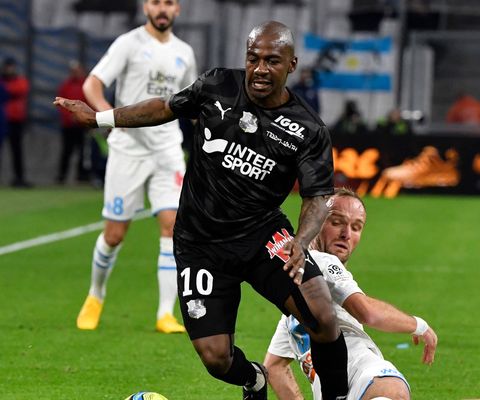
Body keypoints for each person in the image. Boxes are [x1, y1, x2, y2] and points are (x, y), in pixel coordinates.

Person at [55, 20, 351, 400]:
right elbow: (163, 107)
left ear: (291, 65)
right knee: (216, 358)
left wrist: (302, 239)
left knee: (322, 318)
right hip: (200, 243)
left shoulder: (308, 128)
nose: (260, 69)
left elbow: (318, 196)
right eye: (253, 58)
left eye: (272, 61)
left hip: (263, 236)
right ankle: (254, 380)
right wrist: (99, 117)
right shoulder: (217, 86)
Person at [72, 0, 197, 334]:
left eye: (169, 3)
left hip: (167, 150)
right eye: (156, 2)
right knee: (114, 235)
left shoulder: (185, 52)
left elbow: (190, 102)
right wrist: (108, 118)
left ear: (177, 9)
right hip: (128, 150)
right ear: (146, 7)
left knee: (172, 226)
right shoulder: (128, 44)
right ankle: (95, 295)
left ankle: (164, 314)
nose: (162, 9)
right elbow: (92, 85)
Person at [264, 188, 438, 400]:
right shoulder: (324, 262)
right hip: (364, 373)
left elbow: (274, 368)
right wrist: (420, 325)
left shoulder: (293, 304)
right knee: (392, 391)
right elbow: (367, 313)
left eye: (356, 227)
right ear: (315, 221)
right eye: (337, 222)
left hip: (337, 390)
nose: (346, 234)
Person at [56, 61, 90, 184]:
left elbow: (89, 102)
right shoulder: (66, 85)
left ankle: (82, 176)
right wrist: (70, 117)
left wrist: (84, 117)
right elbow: (60, 103)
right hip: (69, 125)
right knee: (66, 151)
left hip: (82, 124)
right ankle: (61, 176)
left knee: (83, 151)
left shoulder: (86, 86)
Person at [0, 57, 31, 187]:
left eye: (11, 66)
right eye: (8, 67)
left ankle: (19, 178)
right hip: (3, 121)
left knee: (17, 151)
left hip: (16, 121)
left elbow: (21, 89)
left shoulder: (19, 81)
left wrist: (6, 91)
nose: (9, 69)